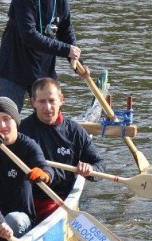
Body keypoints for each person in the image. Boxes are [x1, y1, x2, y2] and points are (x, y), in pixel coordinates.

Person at [0, 0, 91, 111]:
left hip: (42, 70)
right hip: (14, 68)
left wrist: (78, 64)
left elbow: (66, 33)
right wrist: (65, 49)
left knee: (49, 116)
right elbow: (29, 35)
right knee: (6, 117)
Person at [0, 97, 53, 236]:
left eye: (7, 119)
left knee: (13, 220)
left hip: (19, 217)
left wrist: (44, 175)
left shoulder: (28, 145)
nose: (2, 125)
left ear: (16, 121)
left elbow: (46, 169)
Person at [20, 78, 106, 219]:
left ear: (61, 100)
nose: (47, 107)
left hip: (59, 199)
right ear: (33, 102)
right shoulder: (21, 130)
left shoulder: (75, 132)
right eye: (42, 101)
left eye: (52, 101)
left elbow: (100, 164)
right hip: (28, 198)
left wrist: (90, 170)